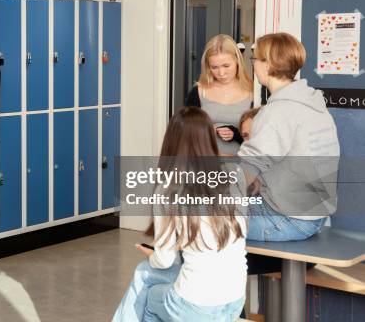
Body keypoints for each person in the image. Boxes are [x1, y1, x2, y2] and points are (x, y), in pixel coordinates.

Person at [113, 107, 247, 321]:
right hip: (235, 301)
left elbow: (165, 261)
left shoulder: (168, 189)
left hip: (196, 306)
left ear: (172, 142)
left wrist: (153, 256)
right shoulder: (233, 175)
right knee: (147, 275)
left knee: (147, 285)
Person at [238, 32, 340, 242]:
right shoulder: (311, 103)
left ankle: (162, 271)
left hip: (287, 220)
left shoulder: (279, 110)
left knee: (196, 221)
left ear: (268, 64)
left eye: (255, 58)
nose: (253, 64)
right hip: (315, 215)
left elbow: (249, 167)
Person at [186, 34, 253, 154]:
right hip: (204, 165)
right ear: (207, 67)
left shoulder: (252, 93)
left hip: (241, 167)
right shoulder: (199, 91)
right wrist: (204, 130)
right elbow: (183, 130)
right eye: (214, 67)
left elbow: (260, 139)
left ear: (237, 61)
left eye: (226, 66)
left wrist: (236, 134)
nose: (221, 73)